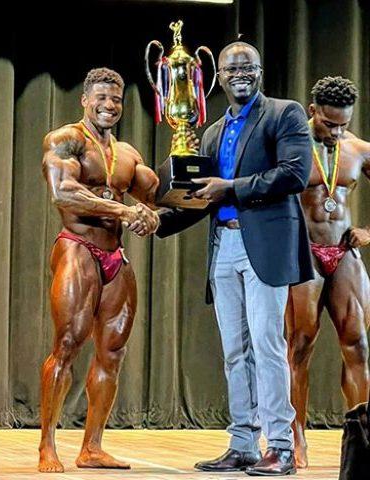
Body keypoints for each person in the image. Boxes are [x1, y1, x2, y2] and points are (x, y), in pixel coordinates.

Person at [151, 41, 314, 476]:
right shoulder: (211, 131)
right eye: (230, 69)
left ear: (260, 72)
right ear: (218, 78)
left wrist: (231, 187)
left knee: (267, 346)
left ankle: (279, 445)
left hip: (263, 244)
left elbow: (295, 173)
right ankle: (243, 442)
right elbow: (203, 199)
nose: (239, 74)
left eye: (247, 67)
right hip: (222, 246)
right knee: (234, 352)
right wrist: (158, 220)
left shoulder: (285, 113)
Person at [39, 67, 159, 473]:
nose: (110, 106)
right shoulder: (66, 140)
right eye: (102, 98)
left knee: (112, 352)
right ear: (85, 101)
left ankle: (92, 447)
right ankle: (47, 446)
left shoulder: (128, 155)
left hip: (115, 257)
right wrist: (126, 210)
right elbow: (64, 192)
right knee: (69, 343)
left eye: (117, 100)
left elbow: (157, 193)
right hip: (77, 249)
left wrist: (153, 213)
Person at [286, 76, 370, 469]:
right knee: (299, 345)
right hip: (303, 253)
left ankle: (362, 437)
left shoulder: (358, 149)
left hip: (344, 252)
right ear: (312, 110)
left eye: (343, 124)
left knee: (358, 346)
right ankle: (295, 436)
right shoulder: (291, 145)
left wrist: (368, 232)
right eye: (329, 124)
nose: (337, 132)